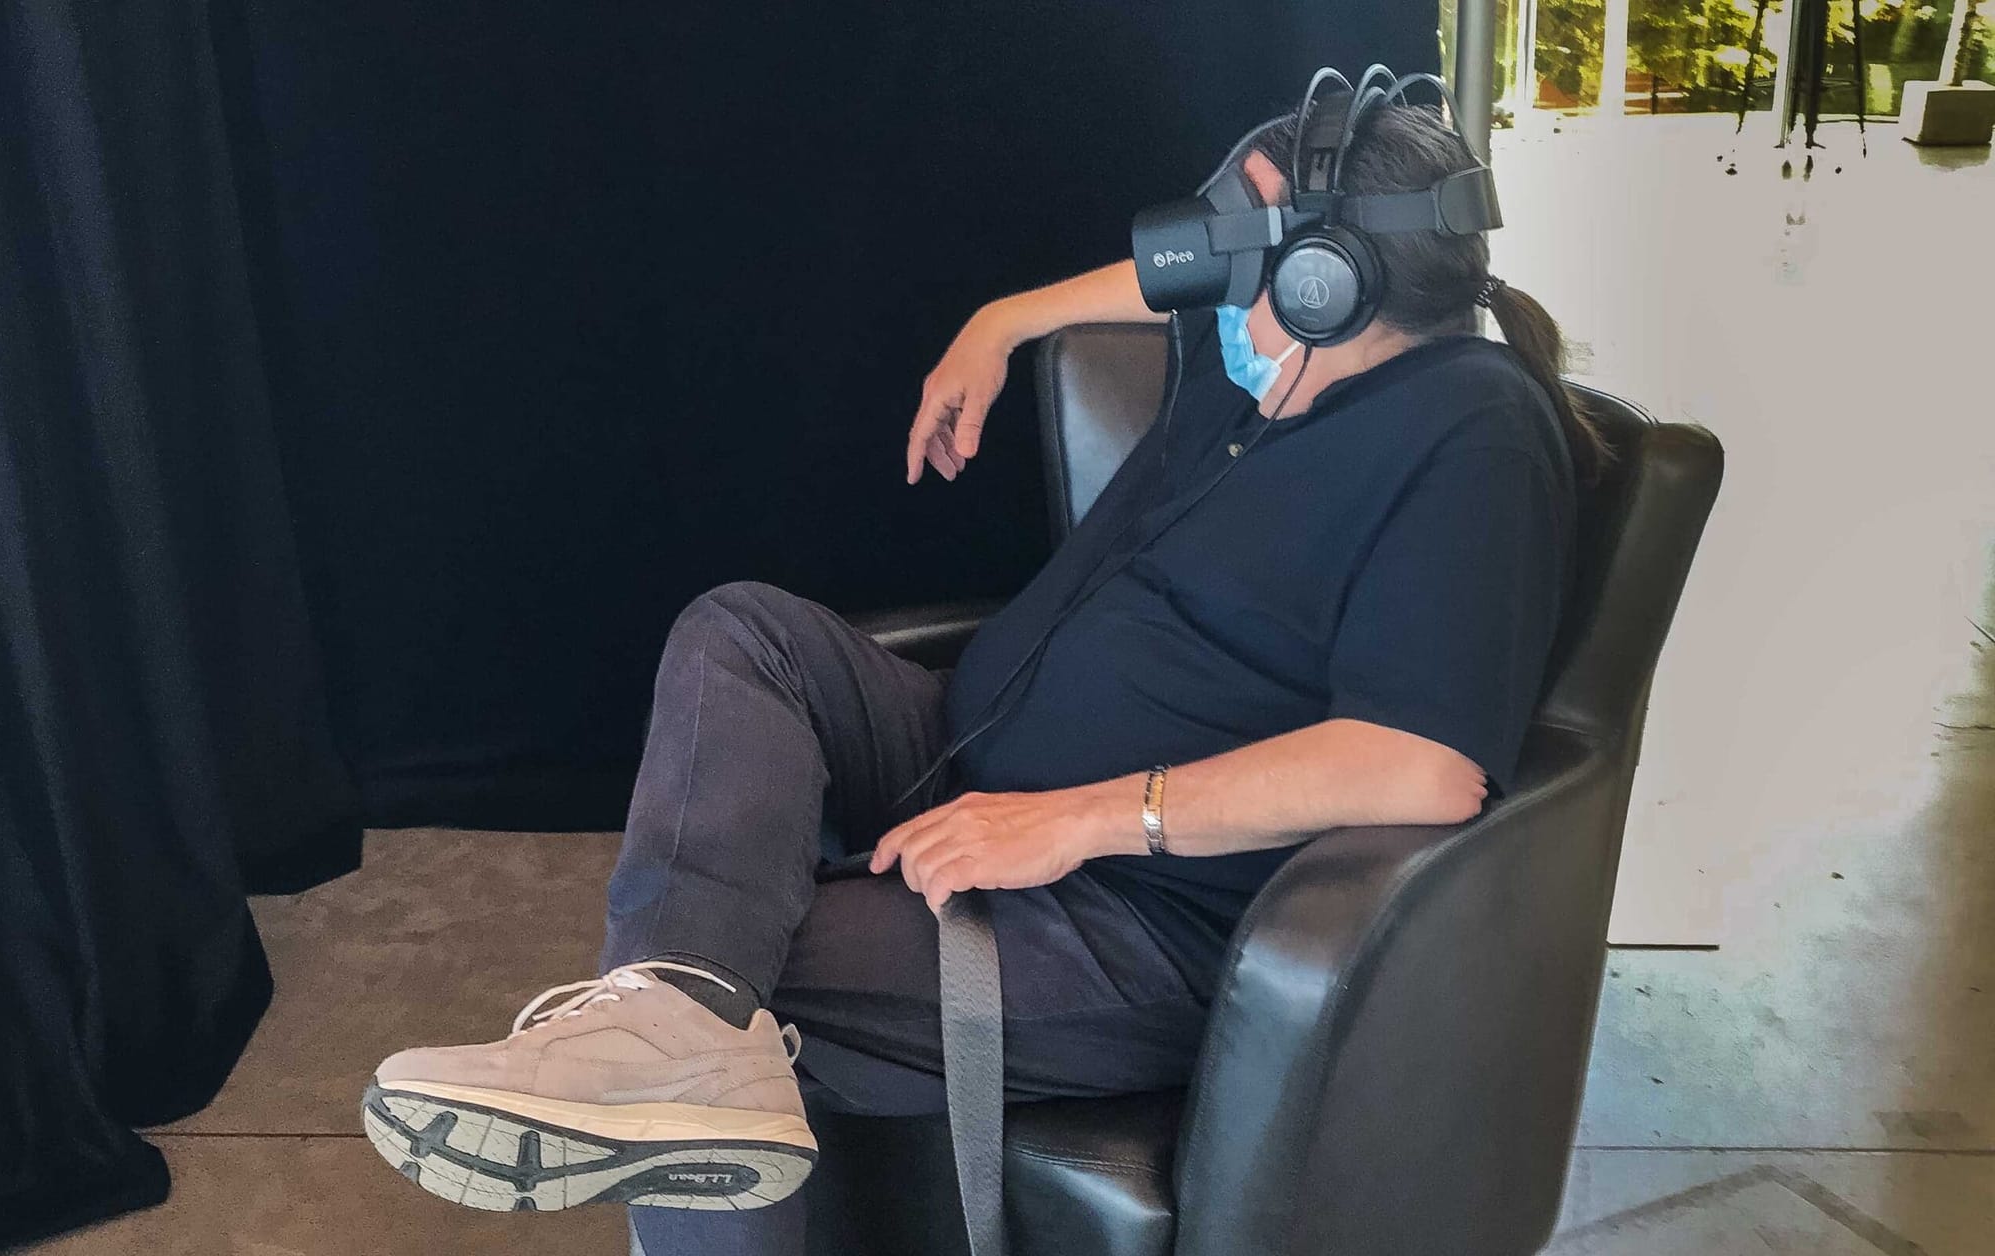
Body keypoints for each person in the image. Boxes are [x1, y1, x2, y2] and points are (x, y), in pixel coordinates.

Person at [359, 93, 1604, 1256]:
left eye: (1243, 249)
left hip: (1134, 911)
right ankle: (665, 1022)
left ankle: (671, 1046)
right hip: (966, 747)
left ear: (1327, 282)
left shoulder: (1471, 432)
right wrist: (1002, 320)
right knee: (743, 633)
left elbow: (1421, 764)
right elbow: (1162, 273)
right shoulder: (1267, 369)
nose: (1208, 275)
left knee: (751, 989)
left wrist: (1077, 818)